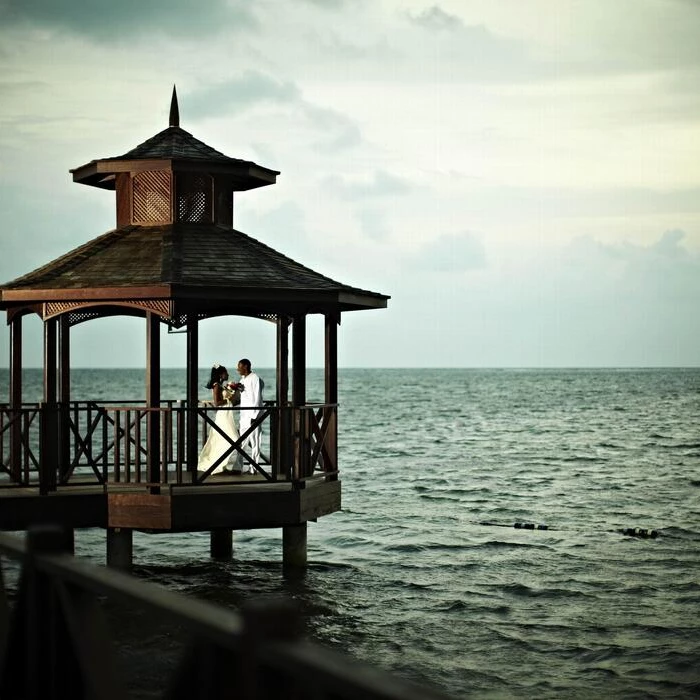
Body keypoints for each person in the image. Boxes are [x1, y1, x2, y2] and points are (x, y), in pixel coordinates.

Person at [197, 364, 241, 474]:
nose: (228, 374)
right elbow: (217, 403)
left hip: (227, 414)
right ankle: (219, 464)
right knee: (233, 438)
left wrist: (234, 394)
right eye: (226, 372)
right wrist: (229, 400)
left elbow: (228, 400)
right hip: (222, 416)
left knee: (227, 439)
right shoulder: (216, 385)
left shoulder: (221, 385)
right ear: (221, 374)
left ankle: (225, 465)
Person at [237, 358, 264, 474]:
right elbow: (245, 395)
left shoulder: (255, 378)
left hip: (253, 416)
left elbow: (257, 398)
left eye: (239, 367)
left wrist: (255, 415)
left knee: (255, 442)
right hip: (244, 416)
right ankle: (238, 467)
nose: (237, 369)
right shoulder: (242, 379)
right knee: (241, 442)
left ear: (246, 367)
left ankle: (254, 468)